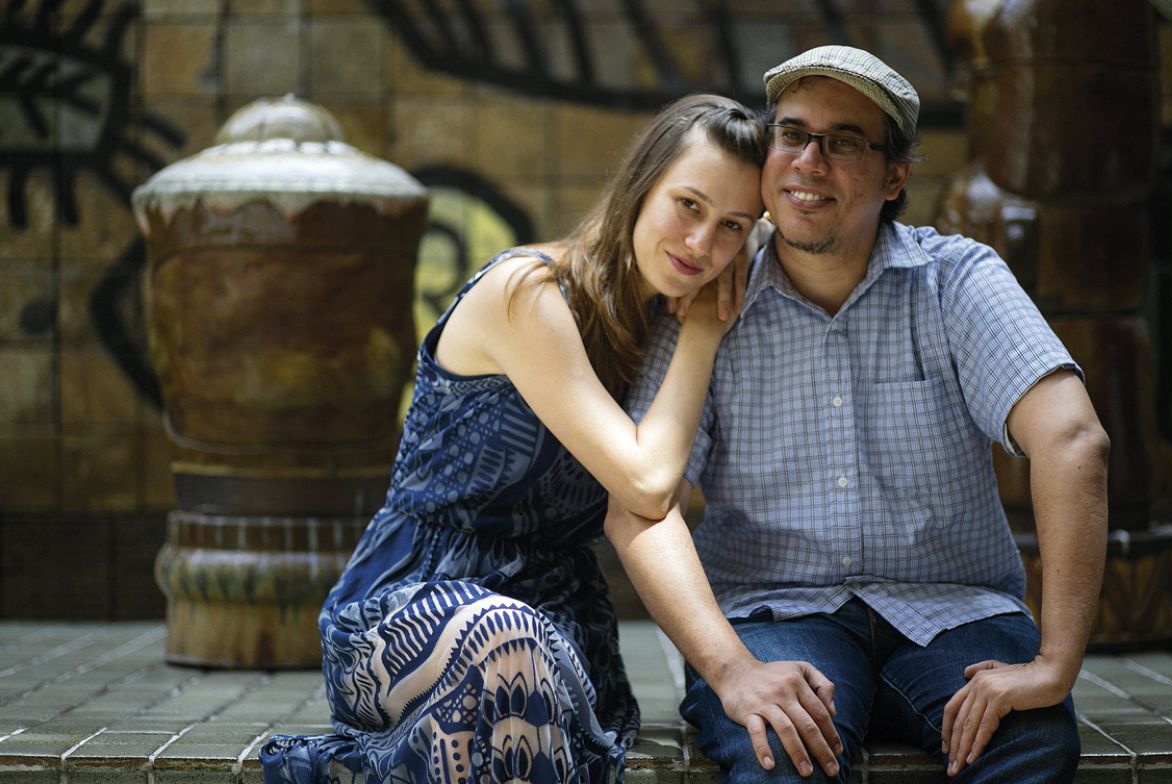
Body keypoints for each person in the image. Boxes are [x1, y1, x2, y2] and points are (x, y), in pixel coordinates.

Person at [606, 46, 1110, 783]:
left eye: (843, 142)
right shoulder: (708, 288)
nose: (809, 160)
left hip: (954, 613)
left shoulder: (957, 282)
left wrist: (1056, 666)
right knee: (776, 746)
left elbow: (1073, 441)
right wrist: (732, 670)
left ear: (896, 173)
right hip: (775, 616)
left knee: (1031, 737)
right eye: (792, 133)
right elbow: (642, 504)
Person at [259, 94, 766, 784]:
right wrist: (705, 331)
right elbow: (646, 483)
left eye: (732, 226)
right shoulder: (528, 292)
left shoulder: (657, 334)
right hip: (409, 615)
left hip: (559, 628)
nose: (702, 245)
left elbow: (659, 496)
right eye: (690, 205)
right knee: (501, 638)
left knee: (517, 648)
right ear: (640, 186)